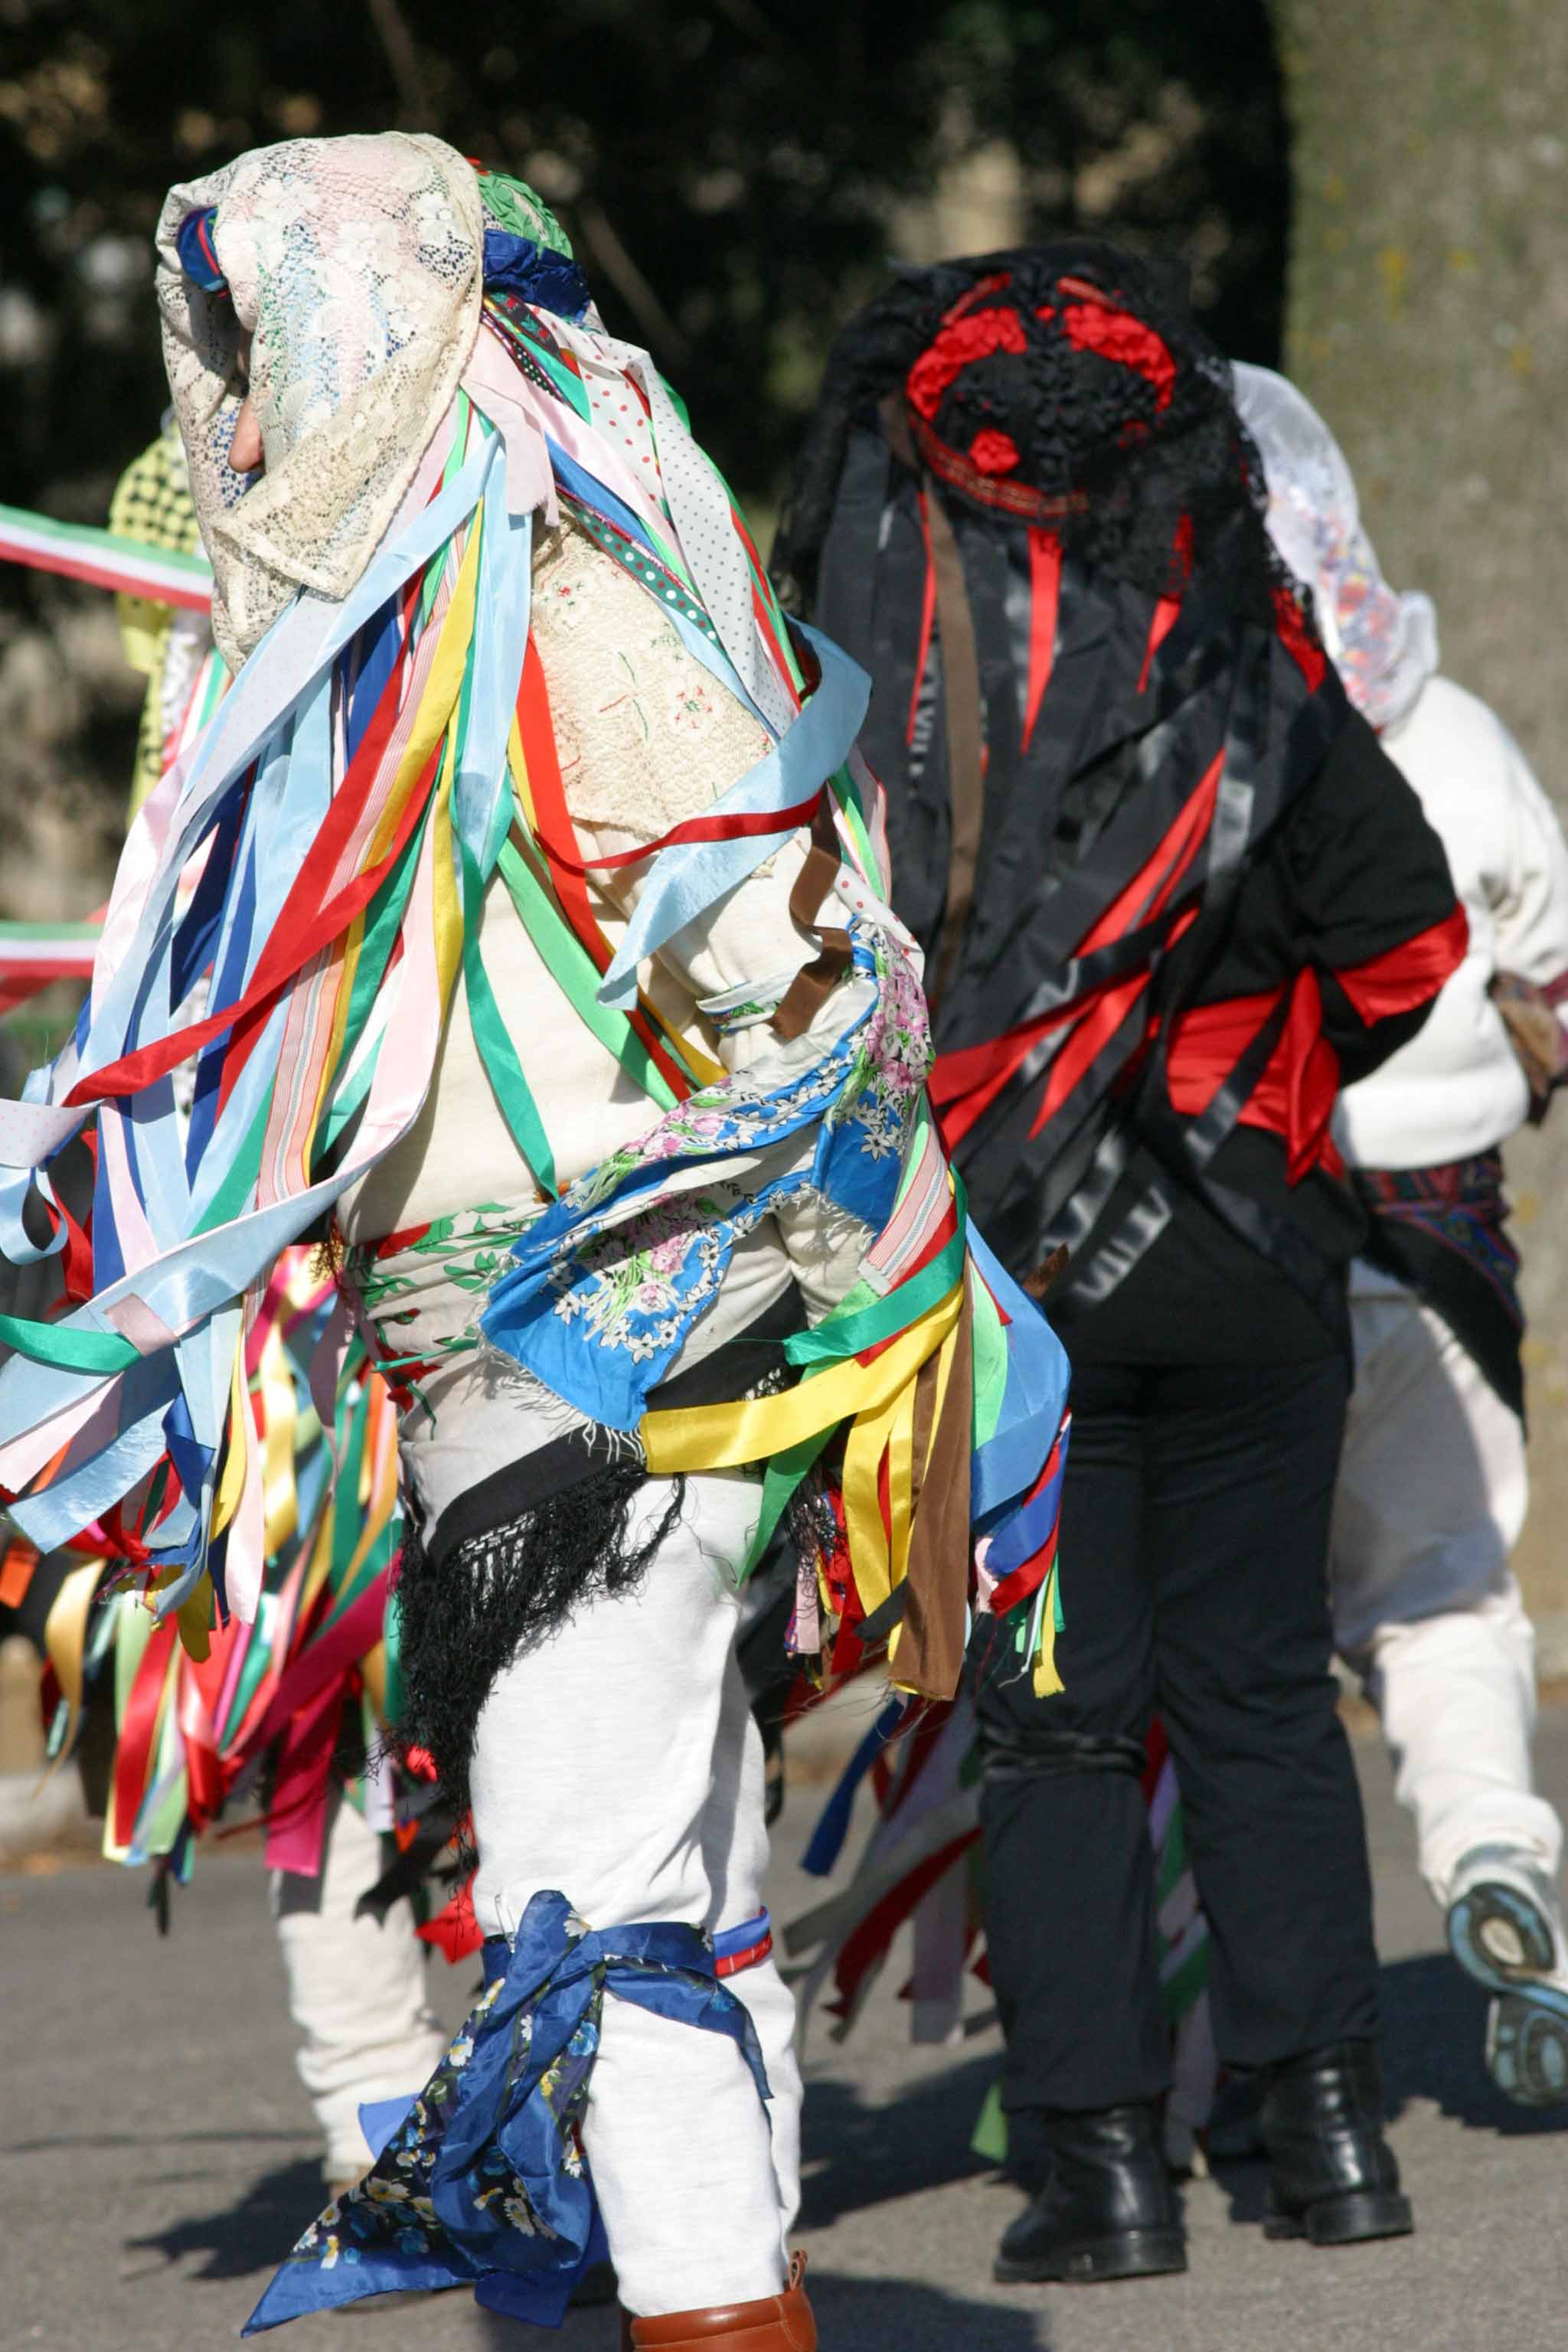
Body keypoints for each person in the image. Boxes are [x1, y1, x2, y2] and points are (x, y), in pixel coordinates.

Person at [0, 137, 1069, 2347]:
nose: (240, 400)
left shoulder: (561, 603)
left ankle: (712, 2308)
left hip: (630, 1366)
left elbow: (805, 967)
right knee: (678, 1880)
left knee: (589, 1914)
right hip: (494, 1381)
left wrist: (812, 1232)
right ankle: (730, 2275)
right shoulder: (313, 672)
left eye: (258, 337)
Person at [773, 242, 1465, 2283]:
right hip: (1256, 1252)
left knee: (1059, 1724)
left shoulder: (856, 705)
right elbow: (1411, 955)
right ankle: (1331, 2143)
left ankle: (1102, 2179)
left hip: (1006, 1285)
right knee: (1260, 1698)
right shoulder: (1263, 670)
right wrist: (1248, 1083)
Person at [1236, 362, 1568, 2109]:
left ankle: (1170, 2012)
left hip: (1236, 1233)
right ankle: (1500, 1864)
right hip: (1443, 1245)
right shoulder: (1452, 731)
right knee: (1443, 1594)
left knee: (1219, 1642)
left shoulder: (1179, 743)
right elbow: (1551, 980)